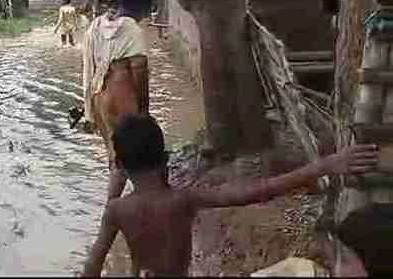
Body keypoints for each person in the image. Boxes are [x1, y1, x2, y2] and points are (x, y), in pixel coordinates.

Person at [81, 114, 380, 277]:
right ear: (164, 158)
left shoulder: (117, 210)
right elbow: (258, 191)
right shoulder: (182, 200)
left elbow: (93, 264)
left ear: (120, 165)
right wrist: (324, 165)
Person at [83, 0, 150, 200]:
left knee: (115, 156)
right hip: (122, 93)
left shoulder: (96, 25)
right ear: (142, 8)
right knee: (135, 153)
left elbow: (88, 66)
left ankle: (114, 207)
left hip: (99, 94)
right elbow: (139, 68)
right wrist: (144, 108)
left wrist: (88, 109)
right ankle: (124, 207)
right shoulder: (132, 29)